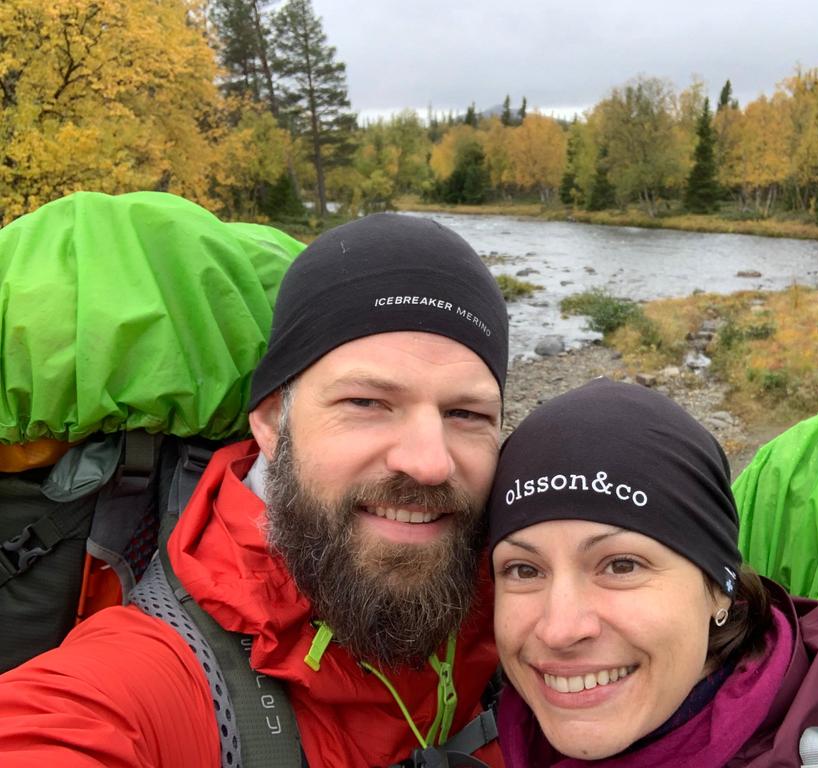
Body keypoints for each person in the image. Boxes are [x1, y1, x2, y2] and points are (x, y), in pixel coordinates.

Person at [0, 214, 509, 768]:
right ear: (270, 424)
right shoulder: (146, 681)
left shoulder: (537, 604)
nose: (429, 463)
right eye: (366, 403)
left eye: (466, 412)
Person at [487, 378, 818, 768]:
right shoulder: (504, 725)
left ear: (719, 588)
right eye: (524, 570)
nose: (559, 630)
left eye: (621, 565)